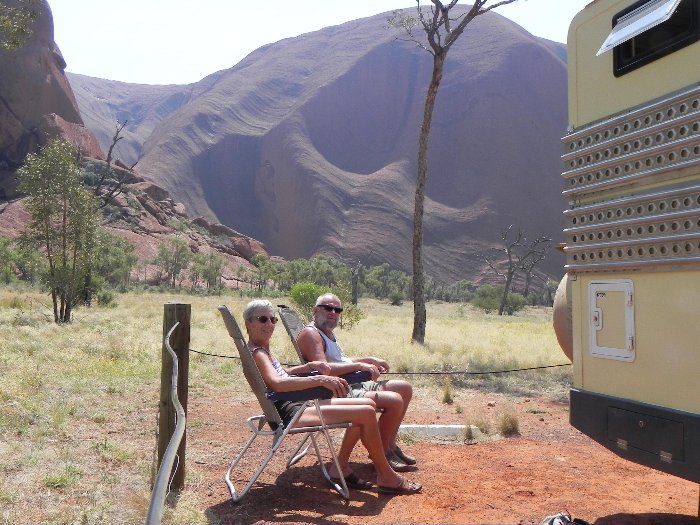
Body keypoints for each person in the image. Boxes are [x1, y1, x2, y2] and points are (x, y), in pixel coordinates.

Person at [242, 299, 421, 495]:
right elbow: (277, 384)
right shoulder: (259, 353)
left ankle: (343, 467)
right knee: (365, 411)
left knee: (367, 405)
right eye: (263, 319)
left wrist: (307, 367)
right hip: (292, 413)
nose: (269, 324)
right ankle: (386, 476)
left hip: (299, 404)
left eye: (272, 319)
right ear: (248, 323)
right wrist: (320, 380)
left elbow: (281, 375)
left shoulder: (260, 349)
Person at [296, 293, 416, 472]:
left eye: (337, 309)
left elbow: (341, 361)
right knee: (394, 400)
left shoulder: (327, 332)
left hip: (352, 383)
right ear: (315, 310)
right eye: (328, 308)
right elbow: (324, 369)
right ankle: (382, 452)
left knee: (404, 388)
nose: (333, 312)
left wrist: (368, 360)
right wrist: (360, 366)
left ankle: (390, 445)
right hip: (337, 390)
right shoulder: (311, 334)